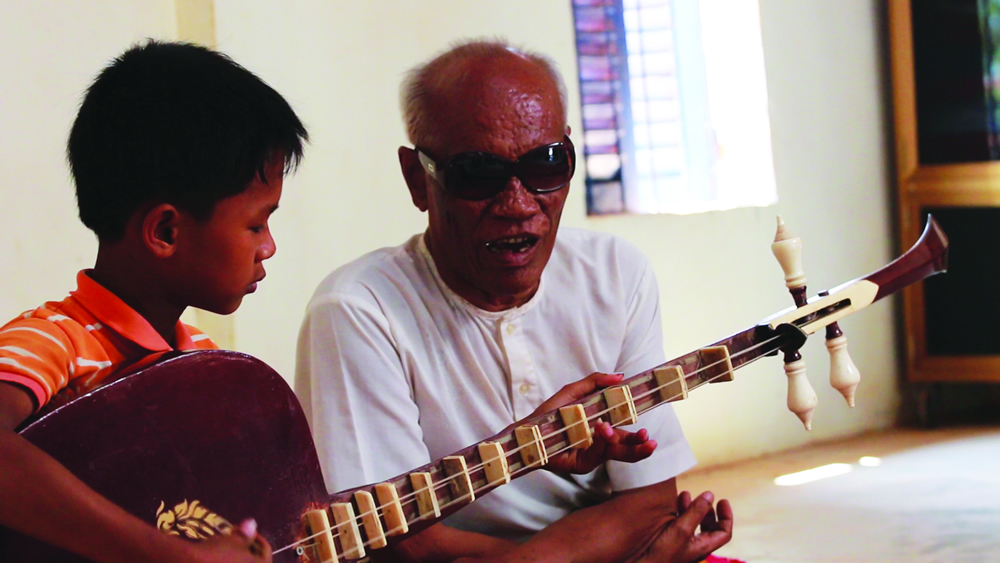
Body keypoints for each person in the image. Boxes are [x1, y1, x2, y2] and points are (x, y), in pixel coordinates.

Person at [295, 40, 732, 561]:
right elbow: (399, 544)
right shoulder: (359, 311)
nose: (519, 205)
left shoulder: (615, 273)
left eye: (546, 164)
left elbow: (650, 502)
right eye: (478, 175)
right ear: (418, 178)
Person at [0, 40, 307, 563]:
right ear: (165, 229)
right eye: (257, 223)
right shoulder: (51, 340)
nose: (269, 246)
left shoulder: (205, 368)